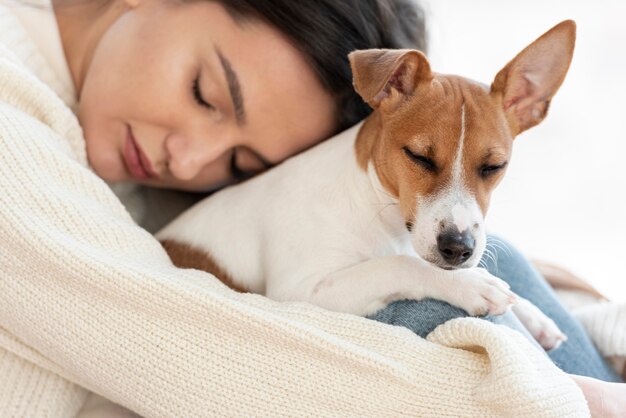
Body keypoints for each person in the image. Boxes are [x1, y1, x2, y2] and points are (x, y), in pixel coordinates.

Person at [0, 0, 624, 416]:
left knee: (489, 264)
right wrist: (557, 398)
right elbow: (181, 344)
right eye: (206, 92)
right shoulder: (14, 130)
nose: (189, 164)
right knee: (432, 295)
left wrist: (576, 316)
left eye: (243, 165)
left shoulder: (120, 141)